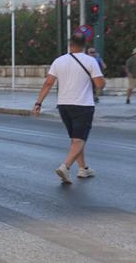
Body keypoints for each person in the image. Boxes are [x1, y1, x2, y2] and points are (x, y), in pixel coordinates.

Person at [33, 33, 105, 184]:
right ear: (84, 45)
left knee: (75, 139)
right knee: (79, 140)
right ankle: (65, 167)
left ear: (70, 44)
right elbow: (99, 85)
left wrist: (38, 103)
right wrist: (101, 81)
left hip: (64, 105)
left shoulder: (58, 61)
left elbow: (48, 83)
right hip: (83, 105)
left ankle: (83, 169)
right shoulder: (91, 61)